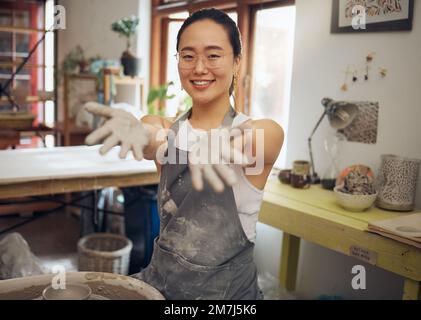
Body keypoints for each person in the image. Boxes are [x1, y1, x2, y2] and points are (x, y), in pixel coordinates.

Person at [85, 8, 284, 300]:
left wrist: (223, 142)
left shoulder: (257, 133)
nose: (199, 68)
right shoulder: (166, 129)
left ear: (237, 62)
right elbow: (152, 137)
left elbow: (262, 137)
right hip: (161, 287)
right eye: (188, 56)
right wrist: (148, 137)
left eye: (214, 55)